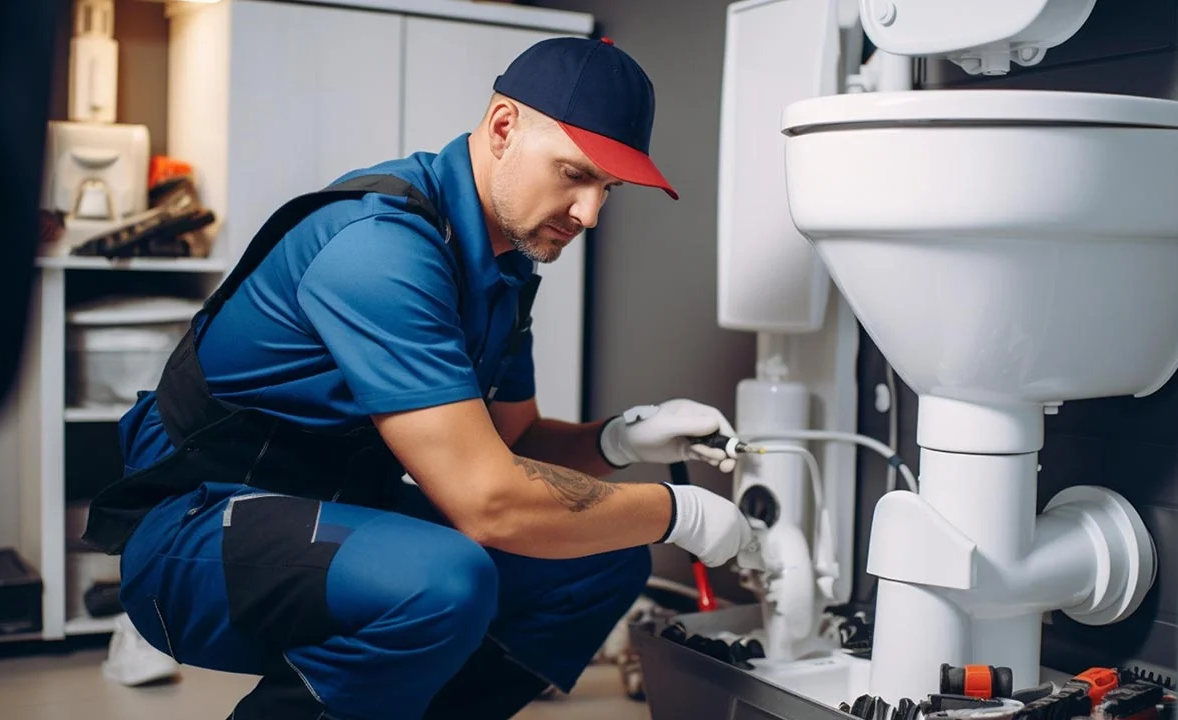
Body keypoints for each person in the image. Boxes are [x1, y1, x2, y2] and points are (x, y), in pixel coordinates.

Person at [82, 36, 756, 720]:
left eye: (607, 189)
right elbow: (489, 502)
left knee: (598, 564)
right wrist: (681, 515)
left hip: (335, 509)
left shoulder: (504, 272)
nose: (589, 213)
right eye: (574, 174)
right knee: (443, 580)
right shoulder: (380, 247)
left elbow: (512, 448)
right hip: (194, 530)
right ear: (502, 128)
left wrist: (622, 440)